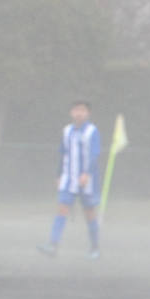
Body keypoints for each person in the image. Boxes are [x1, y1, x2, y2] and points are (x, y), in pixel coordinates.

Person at [37, 101, 101, 259]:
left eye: (83, 110)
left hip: (87, 180)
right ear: (71, 112)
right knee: (62, 208)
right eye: (76, 110)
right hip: (68, 177)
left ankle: (95, 247)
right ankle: (53, 245)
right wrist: (58, 175)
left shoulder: (92, 131)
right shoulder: (67, 131)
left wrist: (87, 173)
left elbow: (94, 155)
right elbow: (63, 153)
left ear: (88, 113)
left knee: (90, 213)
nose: (79, 113)